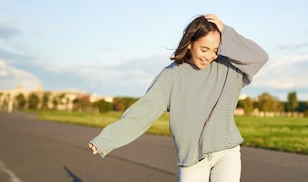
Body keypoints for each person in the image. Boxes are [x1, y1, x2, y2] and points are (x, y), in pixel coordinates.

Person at [88, 14, 268, 182]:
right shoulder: (171, 76)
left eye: (215, 50)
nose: (210, 56)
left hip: (227, 152)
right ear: (189, 43)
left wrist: (226, 31)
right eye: (204, 49)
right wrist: (106, 140)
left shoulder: (227, 68)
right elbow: (144, 112)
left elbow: (259, 57)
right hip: (192, 159)